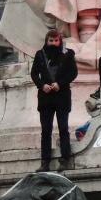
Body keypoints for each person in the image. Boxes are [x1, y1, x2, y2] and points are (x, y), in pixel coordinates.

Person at [30, 28, 78, 171]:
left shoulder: (68, 54)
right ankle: (45, 162)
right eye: (51, 41)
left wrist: (60, 84)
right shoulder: (40, 55)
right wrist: (42, 85)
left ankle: (65, 159)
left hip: (62, 96)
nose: (53, 43)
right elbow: (34, 74)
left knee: (63, 128)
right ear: (46, 41)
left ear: (60, 41)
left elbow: (73, 73)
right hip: (46, 98)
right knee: (46, 130)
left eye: (56, 41)